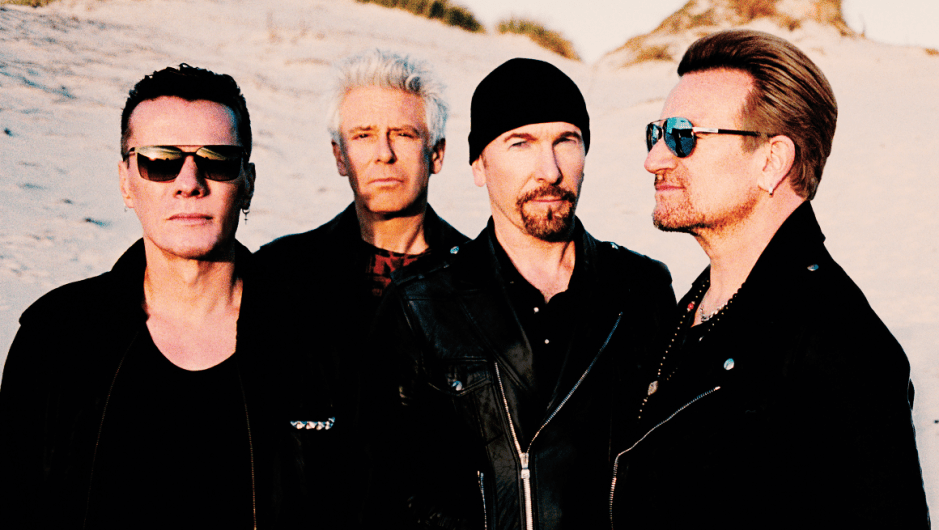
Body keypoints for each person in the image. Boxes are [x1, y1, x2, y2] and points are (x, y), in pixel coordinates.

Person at [0, 65, 356, 529]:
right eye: (160, 161)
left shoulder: (324, 343)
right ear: (126, 181)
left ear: (247, 183)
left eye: (217, 160)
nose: (189, 182)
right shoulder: (56, 337)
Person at [610, 29, 930, 529]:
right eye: (656, 134)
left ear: (771, 162)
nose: (655, 160)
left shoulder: (842, 346)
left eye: (683, 136)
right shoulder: (690, 310)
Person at [372, 58, 676, 529]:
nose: (549, 170)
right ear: (479, 165)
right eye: (521, 143)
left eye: (566, 141)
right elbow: (388, 486)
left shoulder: (641, 288)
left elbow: (667, 467)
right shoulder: (421, 304)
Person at [254, 49, 467, 337]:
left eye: (403, 134)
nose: (384, 154)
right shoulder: (280, 270)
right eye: (363, 135)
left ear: (436, 155)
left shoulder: (484, 278)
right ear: (340, 156)